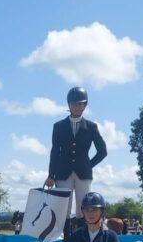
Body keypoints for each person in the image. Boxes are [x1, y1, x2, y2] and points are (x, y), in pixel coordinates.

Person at [44, 87, 108, 231]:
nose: (77, 106)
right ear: (68, 105)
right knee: (64, 209)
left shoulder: (91, 126)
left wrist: (89, 165)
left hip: (83, 174)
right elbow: (55, 151)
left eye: (80, 104)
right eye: (74, 103)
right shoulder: (58, 126)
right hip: (62, 172)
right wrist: (50, 175)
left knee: (83, 208)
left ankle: (82, 240)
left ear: (85, 105)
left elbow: (103, 151)